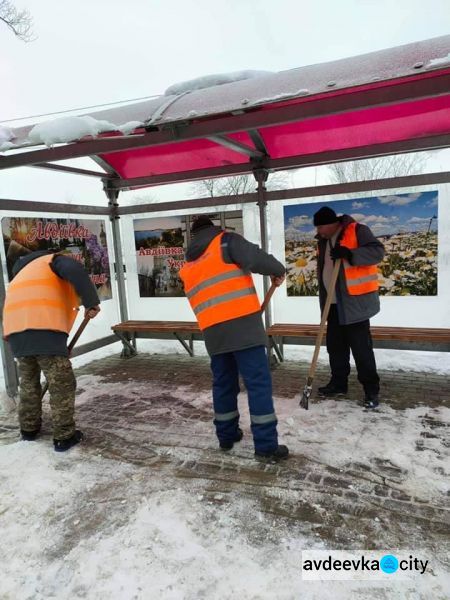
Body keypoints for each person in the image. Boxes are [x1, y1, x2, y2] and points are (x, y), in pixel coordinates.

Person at [179, 216, 289, 461]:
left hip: (213, 332)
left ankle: (226, 436)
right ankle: (266, 446)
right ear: (214, 228)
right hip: (244, 327)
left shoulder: (188, 264)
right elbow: (255, 257)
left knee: (223, 384)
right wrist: (278, 270)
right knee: (258, 385)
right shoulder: (226, 242)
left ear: (194, 236)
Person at [2, 250, 101, 451]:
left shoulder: (21, 273)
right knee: (62, 383)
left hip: (16, 332)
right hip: (44, 327)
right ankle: (65, 435)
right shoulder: (52, 260)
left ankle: (29, 430)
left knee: (29, 383)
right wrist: (91, 301)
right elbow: (75, 270)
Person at [313, 206, 385, 409]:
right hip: (332, 304)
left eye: (321, 227)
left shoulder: (358, 230)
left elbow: (377, 252)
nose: (319, 231)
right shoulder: (324, 240)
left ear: (331, 223)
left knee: (361, 350)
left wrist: (350, 253)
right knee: (335, 348)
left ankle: (371, 390)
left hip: (355, 305)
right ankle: (338, 383)